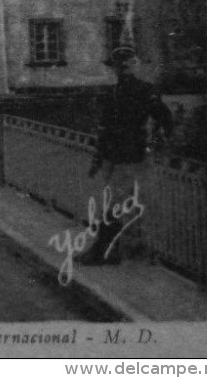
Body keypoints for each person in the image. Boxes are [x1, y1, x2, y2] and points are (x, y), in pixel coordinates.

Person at [77, 46, 173, 266]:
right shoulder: (113, 92)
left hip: (130, 156)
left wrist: (153, 145)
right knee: (117, 205)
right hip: (115, 156)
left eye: (126, 66)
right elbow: (105, 128)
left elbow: (165, 121)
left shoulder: (143, 91)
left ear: (132, 67)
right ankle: (114, 251)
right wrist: (98, 159)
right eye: (119, 67)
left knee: (113, 206)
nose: (122, 71)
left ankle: (104, 252)